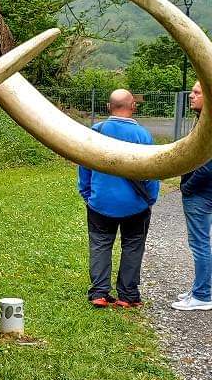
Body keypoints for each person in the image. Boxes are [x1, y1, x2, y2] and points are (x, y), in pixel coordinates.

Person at [78, 89, 160, 308]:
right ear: (133, 106)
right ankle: (127, 295)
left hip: (100, 203)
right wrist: (150, 198)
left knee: (100, 246)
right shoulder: (143, 135)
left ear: (108, 107)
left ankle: (99, 293)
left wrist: (87, 194)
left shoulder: (96, 132)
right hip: (135, 205)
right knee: (133, 247)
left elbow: (84, 167)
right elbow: (152, 171)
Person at [172, 80, 212, 311]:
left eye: (197, 92)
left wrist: (188, 186)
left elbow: (208, 165)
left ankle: (202, 295)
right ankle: (199, 288)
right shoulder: (203, 121)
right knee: (201, 243)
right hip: (202, 192)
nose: (191, 95)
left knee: (200, 244)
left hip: (201, 194)